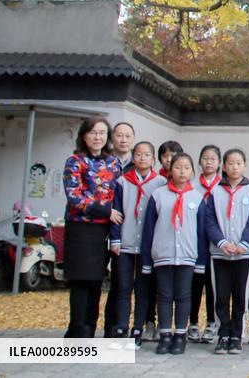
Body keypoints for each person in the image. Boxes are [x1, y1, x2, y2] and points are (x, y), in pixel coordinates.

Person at [140, 152, 209, 355]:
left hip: (187, 255)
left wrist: (201, 261)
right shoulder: (158, 195)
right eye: (177, 167)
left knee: (183, 295)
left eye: (186, 167)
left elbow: (201, 232)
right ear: (170, 170)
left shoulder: (197, 198)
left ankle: (180, 335)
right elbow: (149, 229)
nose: (182, 171)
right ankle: (165, 335)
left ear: (192, 172)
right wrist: (146, 260)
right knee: (164, 295)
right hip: (163, 254)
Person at [63, 116, 123, 339]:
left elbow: (119, 193)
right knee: (81, 280)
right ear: (84, 135)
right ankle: (79, 330)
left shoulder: (113, 163)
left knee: (96, 280)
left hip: (103, 231)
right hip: (80, 229)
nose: (97, 137)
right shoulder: (75, 161)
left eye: (102, 133)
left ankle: (90, 325)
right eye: (93, 132)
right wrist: (105, 211)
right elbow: (74, 197)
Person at [206, 148, 249, 355]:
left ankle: (237, 334)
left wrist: (244, 244)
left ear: (245, 166)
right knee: (221, 295)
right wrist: (222, 242)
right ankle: (223, 334)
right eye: (230, 163)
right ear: (224, 165)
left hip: (243, 254)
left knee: (240, 295)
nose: (235, 167)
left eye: (239, 163)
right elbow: (209, 220)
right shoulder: (215, 192)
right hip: (220, 253)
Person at [110, 141, 166, 345]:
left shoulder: (160, 183)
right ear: (133, 158)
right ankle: (121, 326)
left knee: (143, 288)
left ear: (153, 159)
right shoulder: (122, 182)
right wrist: (114, 239)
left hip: (147, 246)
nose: (143, 158)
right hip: (125, 242)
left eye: (147, 155)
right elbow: (116, 213)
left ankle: (137, 328)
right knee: (124, 287)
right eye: (139, 155)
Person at [143, 140, 183, 341]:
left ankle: (173, 326)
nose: (169, 159)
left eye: (173, 155)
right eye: (166, 155)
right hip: (158, 243)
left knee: (176, 290)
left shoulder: (185, 184)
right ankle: (151, 321)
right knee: (154, 286)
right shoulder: (156, 183)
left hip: (180, 246)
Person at [103, 121, 137, 337]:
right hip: (103, 228)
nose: (123, 140)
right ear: (112, 138)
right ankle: (110, 328)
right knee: (112, 283)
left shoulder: (138, 165)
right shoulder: (104, 164)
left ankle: (124, 326)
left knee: (124, 283)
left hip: (128, 231)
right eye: (119, 135)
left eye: (127, 136)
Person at [189, 145, 222, 343]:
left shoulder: (223, 187)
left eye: (213, 158)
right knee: (194, 283)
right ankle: (192, 322)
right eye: (205, 158)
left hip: (217, 243)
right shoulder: (192, 186)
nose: (208, 162)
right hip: (195, 241)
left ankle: (211, 322)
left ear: (220, 163)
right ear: (199, 161)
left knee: (213, 285)